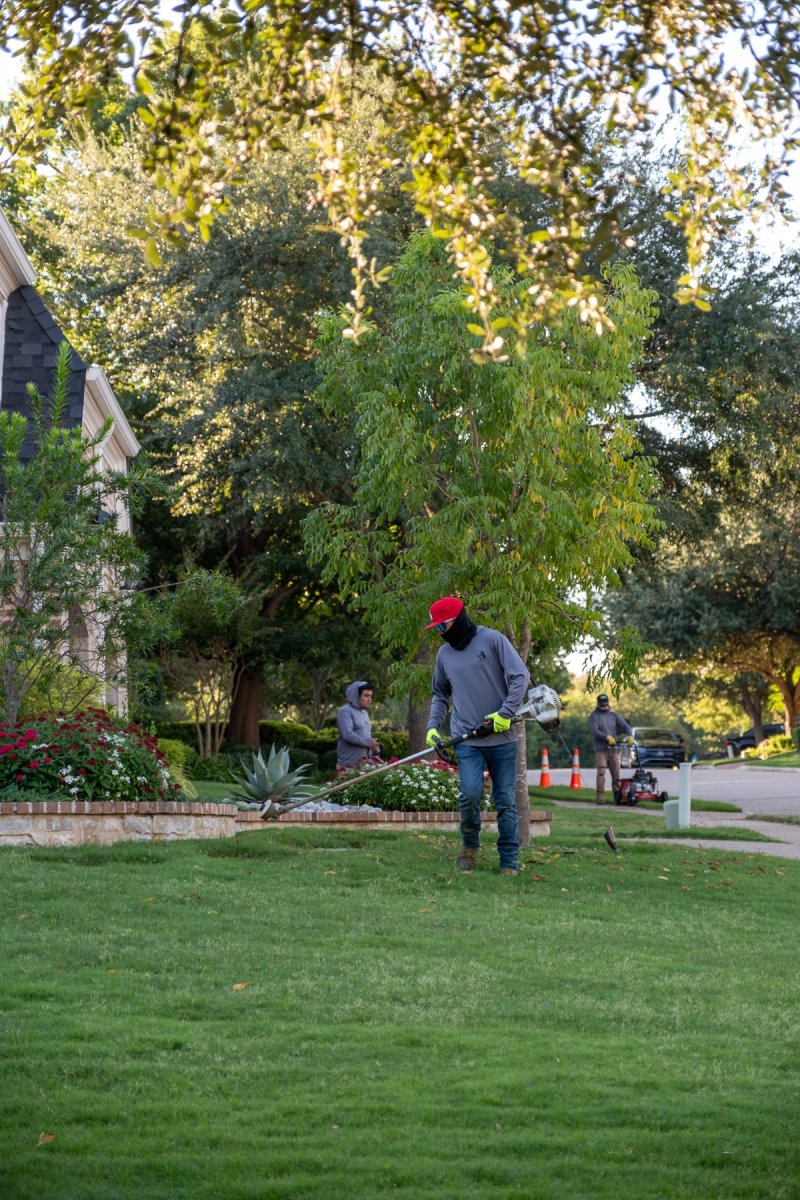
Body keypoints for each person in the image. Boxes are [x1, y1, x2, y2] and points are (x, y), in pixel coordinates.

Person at [424, 596, 530, 875]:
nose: (439, 632)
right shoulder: (444, 655)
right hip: (466, 739)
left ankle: (509, 859)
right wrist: (433, 726)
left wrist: (505, 713)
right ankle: (469, 848)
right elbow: (440, 693)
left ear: (457, 620)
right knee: (470, 795)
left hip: (502, 739)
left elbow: (521, 676)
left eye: (441, 626)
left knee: (505, 800)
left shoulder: (493, 640)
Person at [587, 693, 633, 805]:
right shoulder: (594, 716)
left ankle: (618, 796)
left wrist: (630, 734)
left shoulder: (614, 715)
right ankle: (600, 797)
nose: (605, 707)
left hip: (614, 749)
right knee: (601, 772)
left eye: (606, 704)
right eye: (602, 705)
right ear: (598, 704)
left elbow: (625, 725)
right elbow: (595, 731)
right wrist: (606, 737)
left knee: (616, 773)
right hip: (601, 749)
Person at [336, 681, 381, 769]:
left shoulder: (364, 712)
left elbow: (364, 736)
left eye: (371, 696)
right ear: (356, 696)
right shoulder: (345, 711)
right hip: (348, 767)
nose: (370, 699)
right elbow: (348, 735)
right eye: (366, 696)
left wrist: (374, 746)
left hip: (365, 765)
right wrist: (369, 743)